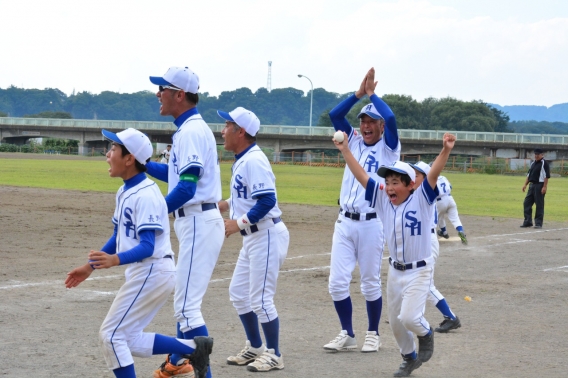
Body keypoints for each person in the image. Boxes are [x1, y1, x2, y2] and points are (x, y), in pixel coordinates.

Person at [64, 128, 213, 378]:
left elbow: (148, 246)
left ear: (129, 158)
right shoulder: (125, 191)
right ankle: (194, 348)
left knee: (110, 336)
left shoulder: (145, 195)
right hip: (147, 271)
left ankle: (194, 349)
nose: (108, 154)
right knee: (127, 339)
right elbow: (118, 235)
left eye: (113, 149)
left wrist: (115, 260)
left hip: (153, 270)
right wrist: (89, 266)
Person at [334, 131, 457, 377]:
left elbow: (432, 174)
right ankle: (408, 357)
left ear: (411, 184)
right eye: (387, 182)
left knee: (410, 318)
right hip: (395, 271)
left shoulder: (422, 199)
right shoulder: (383, 200)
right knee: (396, 323)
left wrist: (446, 150)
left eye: (396, 182)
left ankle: (426, 333)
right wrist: (346, 150)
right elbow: (362, 176)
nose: (389, 187)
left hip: (420, 270)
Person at [145, 67, 224, 378]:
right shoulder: (188, 129)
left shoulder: (191, 131)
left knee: (187, 309)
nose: (158, 94)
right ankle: (177, 362)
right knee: (186, 303)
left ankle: (200, 372)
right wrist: (143, 164)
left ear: (180, 94)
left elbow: (187, 188)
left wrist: (156, 212)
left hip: (198, 221)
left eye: (162, 88)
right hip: (196, 221)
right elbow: (176, 176)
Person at [324, 67, 400, 353]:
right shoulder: (353, 139)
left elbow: (391, 117)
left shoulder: (390, 148)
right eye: (363, 120)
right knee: (336, 284)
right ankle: (347, 333)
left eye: (372, 121)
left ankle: (373, 333)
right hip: (344, 221)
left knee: (369, 282)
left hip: (372, 223)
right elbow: (334, 115)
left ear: (381, 126)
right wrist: (357, 94)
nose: (367, 125)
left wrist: (372, 94)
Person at [217, 107, 289, 372]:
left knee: (260, 299)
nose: (223, 130)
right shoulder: (243, 158)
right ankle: (256, 347)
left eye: (227, 125)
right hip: (255, 237)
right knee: (238, 293)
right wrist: (220, 206)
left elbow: (267, 200)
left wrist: (237, 223)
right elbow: (241, 198)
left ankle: (274, 354)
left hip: (266, 234)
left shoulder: (254, 160)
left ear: (241, 131)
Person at [410, 162, 461, 333]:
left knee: (426, 284)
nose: (412, 176)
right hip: (421, 240)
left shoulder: (425, 192)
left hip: (427, 241)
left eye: (416, 174)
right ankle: (408, 316)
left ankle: (451, 317)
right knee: (410, 280)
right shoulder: (417, 191)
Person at [521, 148, 550, 229]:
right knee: (527, 203)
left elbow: (546, 176)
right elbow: (529, 175)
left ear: (542, 155)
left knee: (539, 204)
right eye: (535, 154)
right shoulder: (533, 163)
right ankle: (528, 221)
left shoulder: (544, 163)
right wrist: (525, 185)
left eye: (538, 154)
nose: (536, 156)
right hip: (532, 185)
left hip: (539, 185)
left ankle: (538, 223)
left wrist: (544, 187)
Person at [435, 175, 468, 244]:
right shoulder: (443, 177)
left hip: (440, 201)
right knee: (455, 218)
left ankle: (444, 232)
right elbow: (450, 186)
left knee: (439, 218)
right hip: (450, 199)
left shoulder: (431, 179)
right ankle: (460, 231)